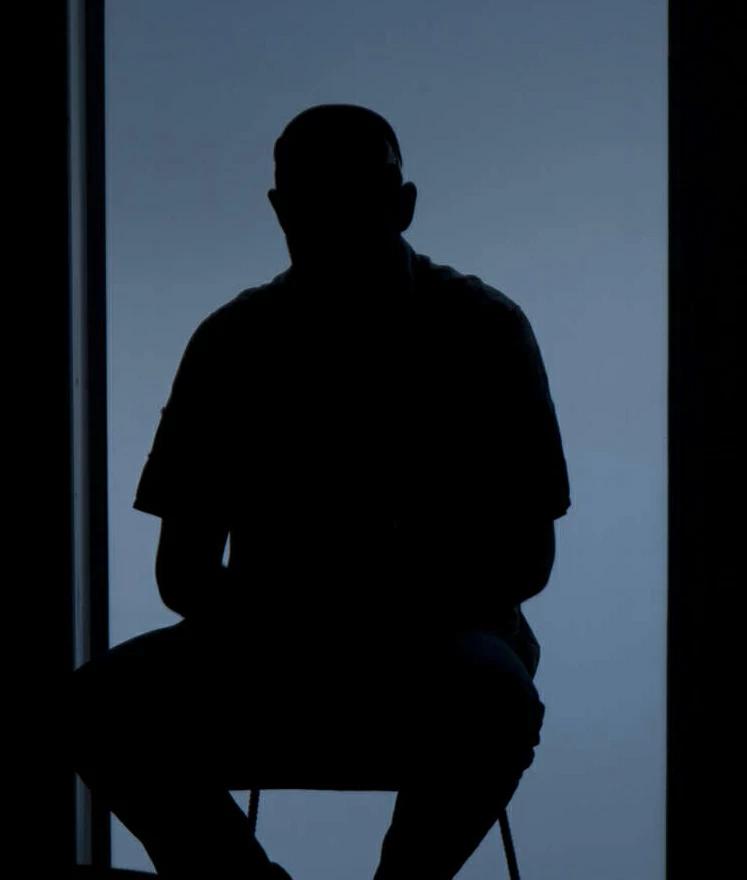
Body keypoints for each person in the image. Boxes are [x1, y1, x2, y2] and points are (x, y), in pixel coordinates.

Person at [70, 103, 570, 880]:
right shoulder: (481, 328)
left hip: (334, 646)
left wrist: (302, 618)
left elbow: (185, 573)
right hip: (400, 645)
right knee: (488, 700)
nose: (333, 216)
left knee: (102, 709)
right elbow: (525, 556)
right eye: (317, 196)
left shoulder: (236, 340)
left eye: (350, 193)